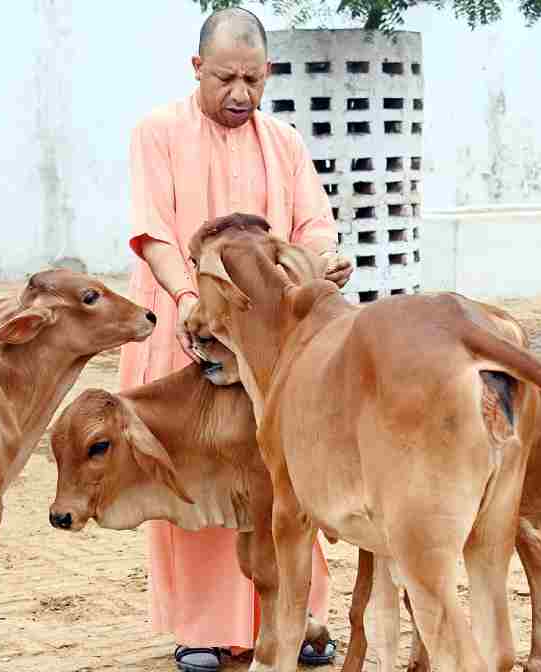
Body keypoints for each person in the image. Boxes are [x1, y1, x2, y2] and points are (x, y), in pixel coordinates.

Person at [117, 7, 354, 672]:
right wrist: (191, 301)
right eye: (226, 79)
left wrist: (322, 261)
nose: (241, 93)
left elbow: (314, 226)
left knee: (286, 475)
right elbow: (154, 235)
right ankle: (202, 629)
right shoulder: (157, 132)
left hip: (269, 346)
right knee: (196, 475)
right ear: (198, 69)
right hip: (184, 328)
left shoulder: (285, 142)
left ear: (268, 72)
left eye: (254, 79)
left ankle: (298, 621)